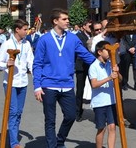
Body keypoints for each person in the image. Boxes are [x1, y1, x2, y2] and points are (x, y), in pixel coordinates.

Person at [33, 8, 97, 148]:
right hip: (48, 85)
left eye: (68, 19)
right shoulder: (44, 40)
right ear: (55, 21)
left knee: (71, 116)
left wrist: (101, 62)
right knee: (50, 120)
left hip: (67, 85)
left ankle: (60, 140)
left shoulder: (72, 38)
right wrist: (37, 86)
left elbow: (85, 55)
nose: (68, 21)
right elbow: (37, 64)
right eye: (64, 19)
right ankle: (52, 146)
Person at [0, 19, 34, 148]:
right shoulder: (7, 44)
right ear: (17, 29)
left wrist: (37, 77)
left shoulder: (27, 44)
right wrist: (6, 64)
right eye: (24, 29)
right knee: (13, 111)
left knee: (19, 112)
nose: (26, 32)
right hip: (10, 82)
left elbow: (31, 62)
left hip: (23, 82)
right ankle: (14, 143)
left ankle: (14, 137)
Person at [88, 41, 119, 148]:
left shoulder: (111, 64)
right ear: (100, 52)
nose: (110, 53)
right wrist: (109, 78)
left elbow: (120, 80)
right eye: (108, 50)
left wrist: (117, 73)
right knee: (101, 128)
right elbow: (94, 84)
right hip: (99, 103)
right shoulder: (93, 66)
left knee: (112, 127)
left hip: (111, 100)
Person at [74, 19, 92, 122]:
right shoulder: (78, 36)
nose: (91, 28)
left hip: (91, 65)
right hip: (81, 65)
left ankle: (98, 110)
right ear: (84, 26)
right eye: (89, 26)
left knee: (95, 87)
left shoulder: (93, 35)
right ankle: (78, 112)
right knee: (80, 89)